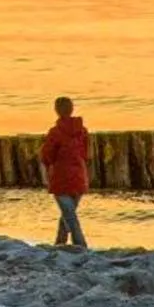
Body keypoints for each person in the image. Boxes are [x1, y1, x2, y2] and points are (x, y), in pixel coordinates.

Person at [41, 96, 90, 248]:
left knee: (70, 216)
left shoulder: (55, 132)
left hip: (61, 179)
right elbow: (86, 154)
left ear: (56, 111)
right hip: (79, 178)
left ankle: (81, 246)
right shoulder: (82, 131)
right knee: (67, 214)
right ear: (72, 108)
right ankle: (59, 243)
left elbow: (46, 156)